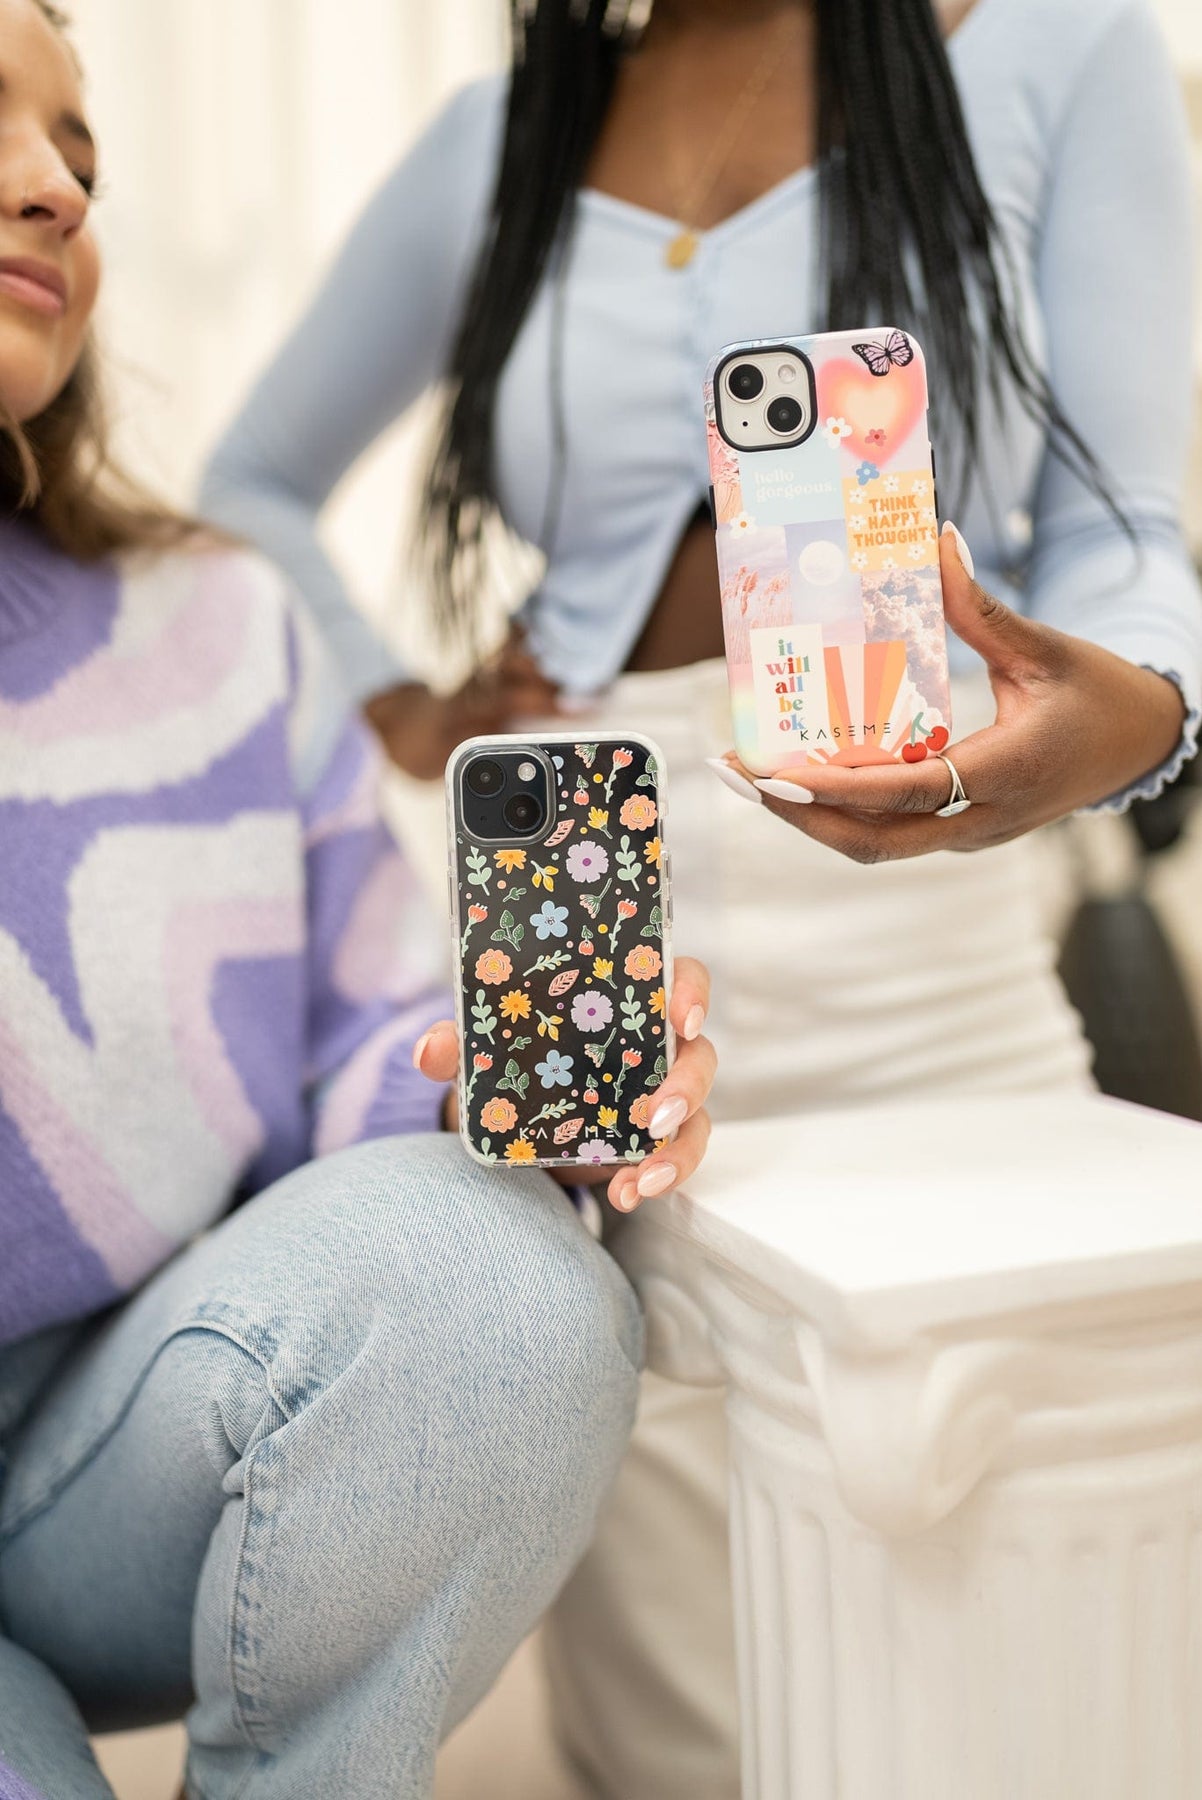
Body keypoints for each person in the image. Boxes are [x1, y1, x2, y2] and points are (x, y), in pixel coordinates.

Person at [200, 0, 1202, 1792]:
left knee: (1027, 1638)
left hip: (923, 932)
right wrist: (401, 699)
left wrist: (1128, 717)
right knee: (685, 1695)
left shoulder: (1056, 44)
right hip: (584, 929)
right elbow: (252, 485)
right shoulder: (498, 143)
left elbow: (1125, 529)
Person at [0, 4, 718, 1797]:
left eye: (81, 155)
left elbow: (368, 1030)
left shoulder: (223, 624)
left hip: (110, 1445)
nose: (55, 191)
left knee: (501, 1282)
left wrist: (499, 1090)